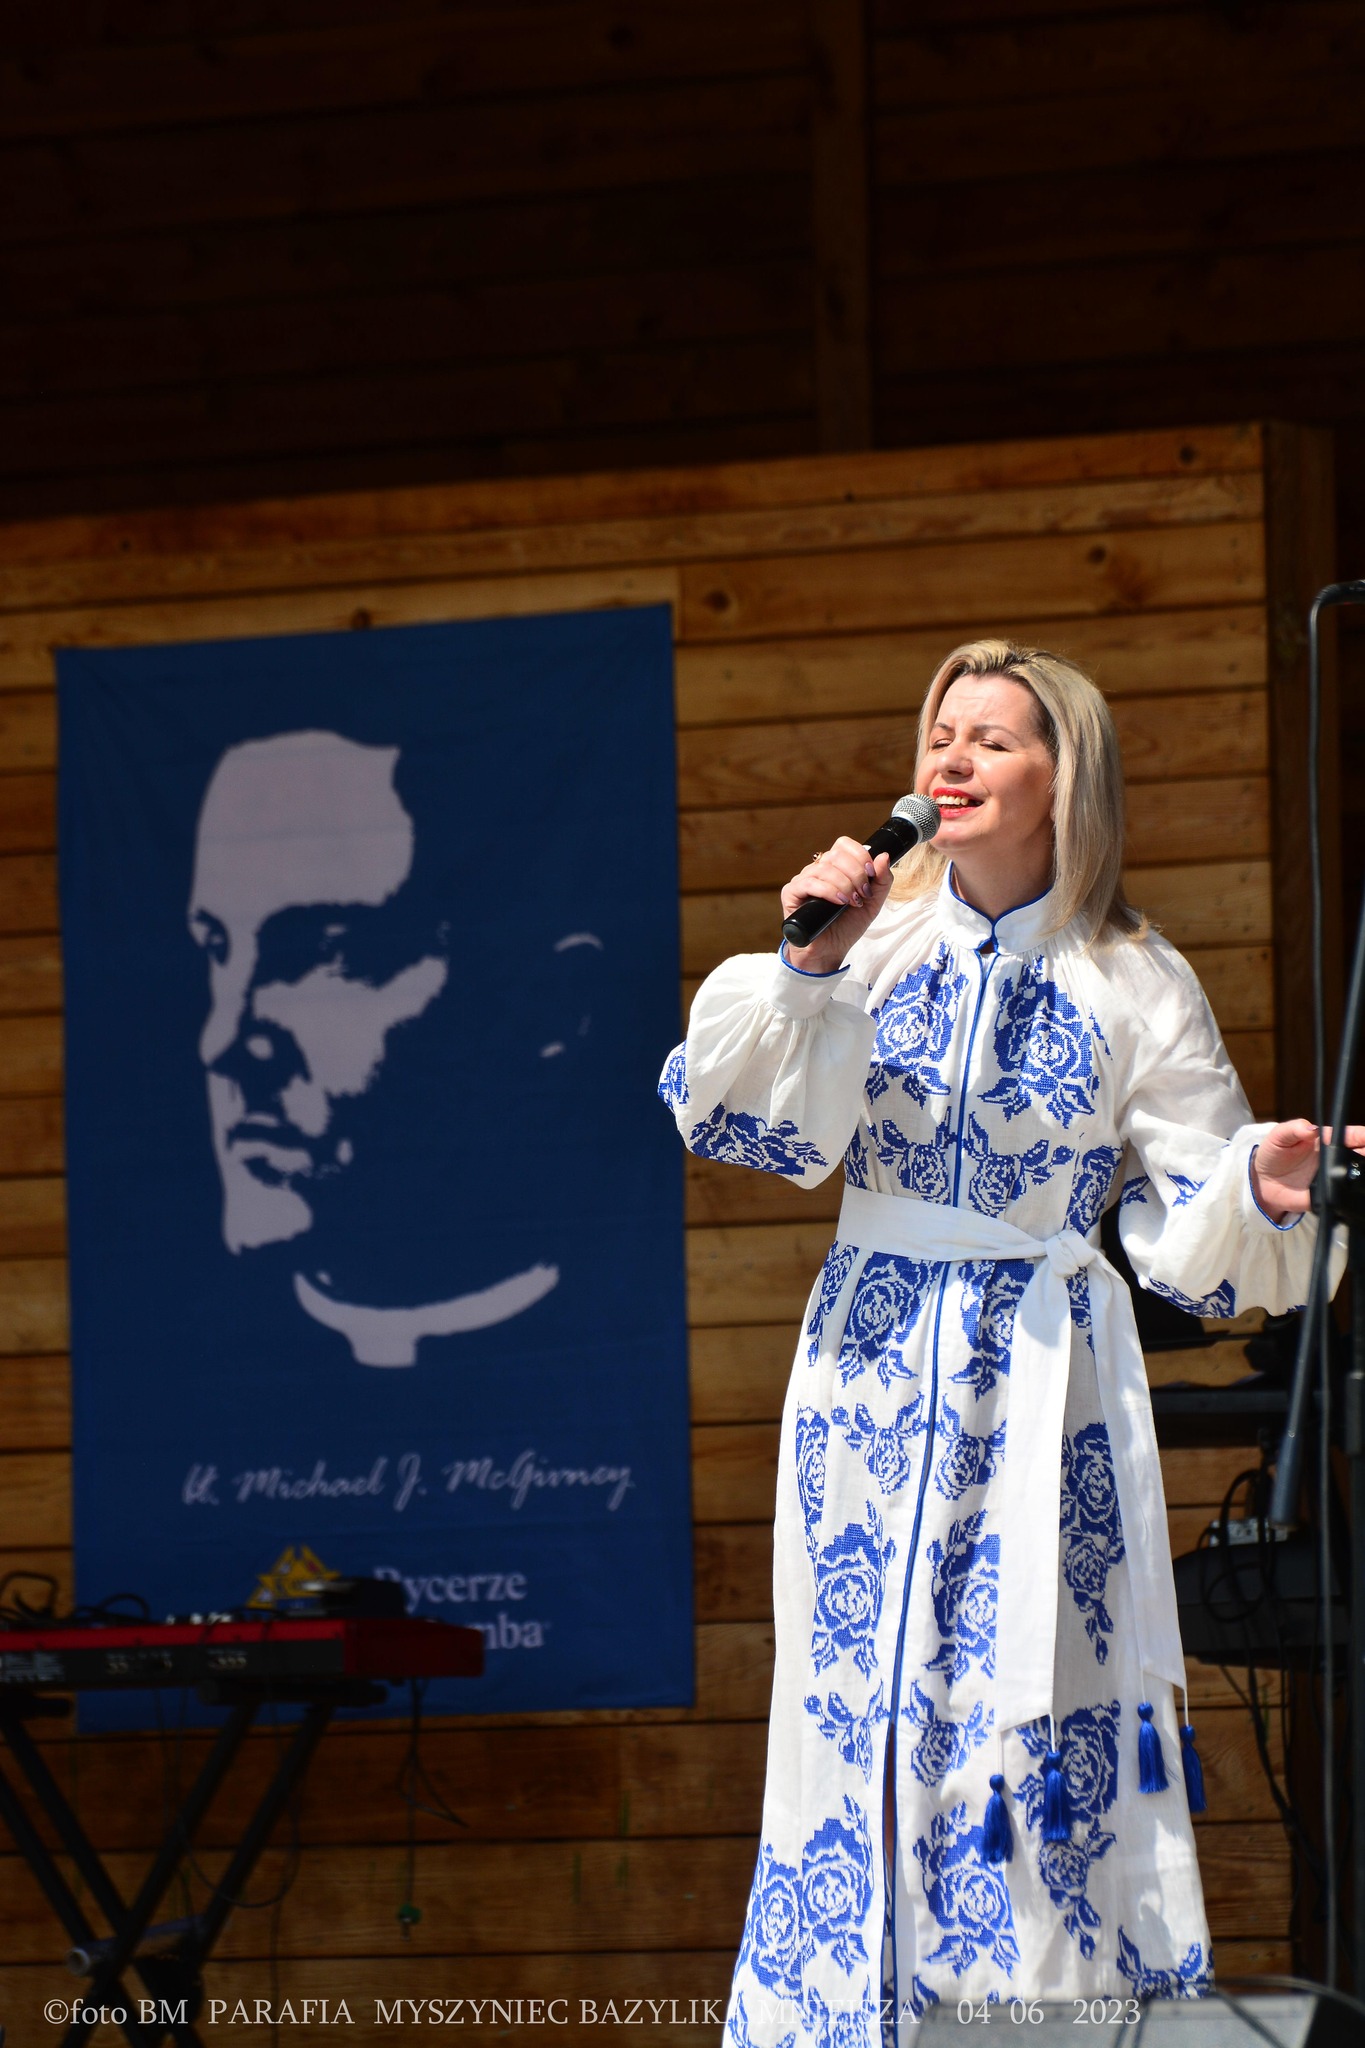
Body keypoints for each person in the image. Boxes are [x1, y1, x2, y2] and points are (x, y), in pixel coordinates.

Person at [659, 641, 1361, 2042]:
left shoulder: (1132, 975)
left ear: (1064, 775)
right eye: (941, 732)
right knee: (861, 1699)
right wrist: (806, 961)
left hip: (1043, 1385)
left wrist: (1263, 1188)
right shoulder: (875, 942)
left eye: (991, 737)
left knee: (1020, 1706)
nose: (954, 757)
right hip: (869, 1371)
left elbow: (1194, 1220)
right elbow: (739, 1121)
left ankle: (1029, 2017)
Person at [189, 728, 599, 1366]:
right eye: (218, 948)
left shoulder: (608, 1336)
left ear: (549, 1010)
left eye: (320, 952)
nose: (222, 1044)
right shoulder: (192, 1356)